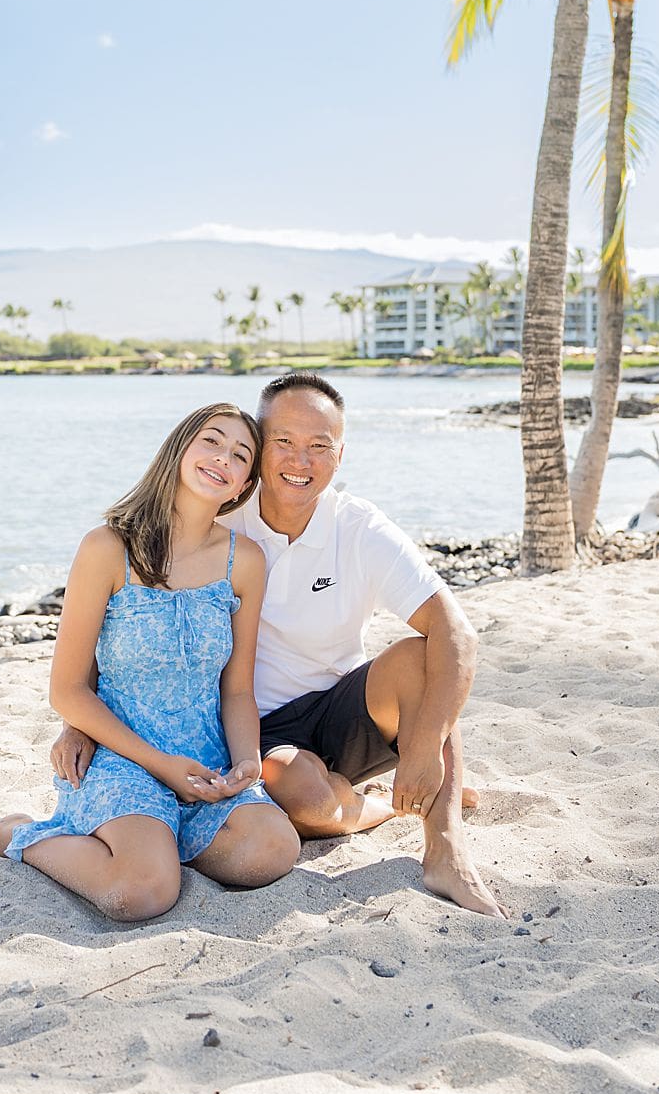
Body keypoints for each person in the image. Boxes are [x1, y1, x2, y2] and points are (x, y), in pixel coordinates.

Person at [53, 373, 504, 918]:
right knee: (303, 795)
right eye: (283, 442)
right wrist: (77, 720)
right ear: (261, 454)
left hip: (339, 706)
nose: (301, 459)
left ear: (341, 454)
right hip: (254, 733)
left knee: (421, 656)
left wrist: (427, 746)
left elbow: (458, 633)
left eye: (320, 446)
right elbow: (140, 626)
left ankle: (446, 847)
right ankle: (372, 806)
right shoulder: (217, 516)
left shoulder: (358, 526)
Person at [0, 403, 299, 920]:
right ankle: (20, 834)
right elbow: (68, 689)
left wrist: (247, 763)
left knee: (273, 849)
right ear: (179, 448)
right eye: (211, 441)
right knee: (140, 893)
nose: (223, 459)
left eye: (240, 455)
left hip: (204, 757)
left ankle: (159, 840)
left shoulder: (246, 561)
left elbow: (236, 689)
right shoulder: (107, 547)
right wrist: (163, 767)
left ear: (243, 485)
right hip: (122, 755)